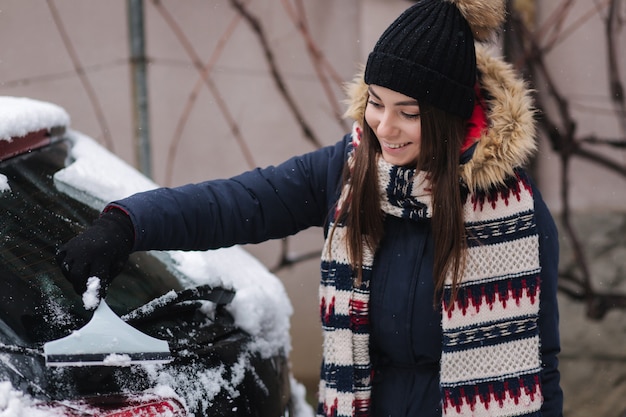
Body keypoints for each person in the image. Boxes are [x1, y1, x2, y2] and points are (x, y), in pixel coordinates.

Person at [56, 0, 563, 416]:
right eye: (377, 103)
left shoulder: (513, 214)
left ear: (450, 118)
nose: (384, 128)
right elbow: (240, 201)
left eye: (408, 113)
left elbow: (539, 361)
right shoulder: (348, 172)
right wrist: (130, 223)